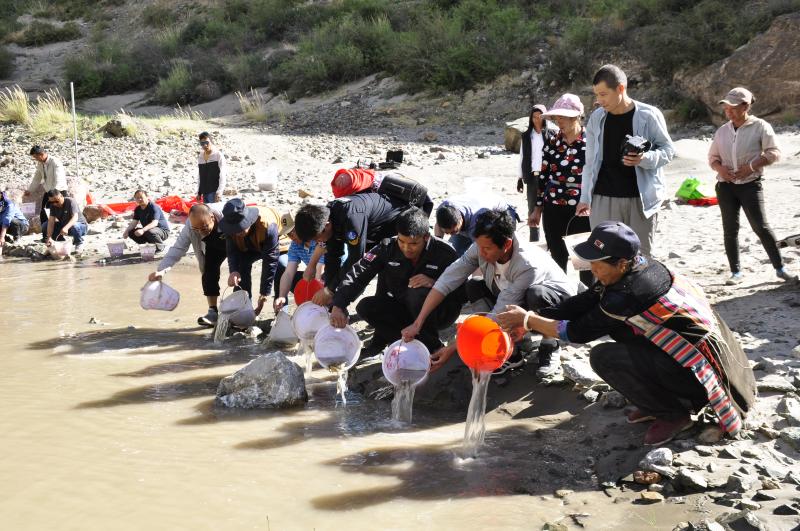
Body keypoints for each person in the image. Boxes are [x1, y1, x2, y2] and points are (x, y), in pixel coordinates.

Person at [497, 221, 756, 446]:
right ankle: (663, 400)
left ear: (621, 263)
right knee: (622, 331)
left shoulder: (630, 293)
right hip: (689, 358)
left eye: (597, 265)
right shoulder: (638, 267)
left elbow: (576, 332)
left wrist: (529, 320)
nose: (593, 270)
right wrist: (535, 319)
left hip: (701, 374)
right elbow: (587, 299)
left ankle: (673, 414)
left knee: (603, 357)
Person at [402, 209, 578, 376]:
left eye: (487, 249)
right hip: (511, 295)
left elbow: (500, 310)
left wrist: (455, 346)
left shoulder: (527, 264)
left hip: (555, 301)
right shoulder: (481, 246)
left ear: (507, 244)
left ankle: (550, 343)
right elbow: (449, 278)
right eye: (479, 246)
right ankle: (511, 352)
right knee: (474, 285)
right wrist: (418, 322)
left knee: (536, 294)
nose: (481, 252)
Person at [330, 207, 463, 357]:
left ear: (426, 237)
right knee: (366, 307)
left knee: (416, 291)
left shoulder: (445, 252)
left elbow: (461, 290)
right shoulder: (388, 247)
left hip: (439, 313)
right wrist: (339, 304)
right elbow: (360, 272)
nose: (406, 248)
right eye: (402, 241)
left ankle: (433, 348)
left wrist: (436, 283)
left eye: (413, 244)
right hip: (404, 308)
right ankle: (409, 346)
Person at [576, 64, 675, 258]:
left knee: (640, 257)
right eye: (596, 94)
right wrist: (585, 198)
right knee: (603, 257)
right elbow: (589, 162)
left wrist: (644, 158)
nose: (599, 100)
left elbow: (668, 150)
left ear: (621, 88)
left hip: (640, 199)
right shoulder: (597, 118)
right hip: (603, 198)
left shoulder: (649, 115)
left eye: (603, 94)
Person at [708, 87, 795, 284]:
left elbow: (774, 152)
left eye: (732, 106)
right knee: (730, 230)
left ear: (745, 106)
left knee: (761, 227)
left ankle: (780, 268)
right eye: (726, 107)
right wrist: (720, 170)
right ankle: (736, 272)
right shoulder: (722, 131)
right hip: (726, 187)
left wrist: (751, 167)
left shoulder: (760, 126)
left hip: (750, 185)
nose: (728, 110)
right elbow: (712, 158)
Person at [293, 190, 433, 307]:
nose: (318, 242)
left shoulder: (351, 218)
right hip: (373, 232)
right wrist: (328, 288)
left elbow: (356, 259)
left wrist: (330, 291)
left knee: (387, 273)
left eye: (317, 238)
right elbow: (333, 256)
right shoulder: (328, 217)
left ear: (327, 225)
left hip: (398, 227)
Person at [533, 93, 593, 286]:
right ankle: (560, 294)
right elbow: (543, 176)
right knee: (556, 254)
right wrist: (537, 208)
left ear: (577, 117)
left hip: (581, 208)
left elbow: (596, 175)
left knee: (583, 257)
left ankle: (587, 296)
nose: (559, 121)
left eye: (563, 117)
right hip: (553, 206)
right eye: (557, 117)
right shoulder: (552, 143)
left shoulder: (590, 142)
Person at [148, 203, 227, 327]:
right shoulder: (191, 226)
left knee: (239, 270)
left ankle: (244, 308)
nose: (201, 232)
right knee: (208, 273)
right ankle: (213, 312)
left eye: (204, 227)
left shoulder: (227, 217)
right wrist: (161, 271)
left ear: (212, 218)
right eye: (197, 229)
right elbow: (178, 249)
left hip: (231, 240)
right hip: (212, 247)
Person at [220, 198, 280, 317]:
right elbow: (232, 252)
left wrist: (264, 293)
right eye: (234, 230)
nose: (237, 233)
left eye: (240, 229)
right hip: (248, 247)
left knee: (281, 266)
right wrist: (234, 271)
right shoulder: (230, 230)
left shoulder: (267, 226)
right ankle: (243, 310)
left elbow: (271, 260)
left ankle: (280, 310)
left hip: (275, 243)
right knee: (241, 267)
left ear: (249, 220)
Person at [434, 194, 520, 256]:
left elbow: (480, 256)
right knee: (452, 255)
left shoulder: (478, 222)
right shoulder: (443, 209)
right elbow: (438, 225)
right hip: (472, 214)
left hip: (503, 214)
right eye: (447, 233)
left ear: (460, 220)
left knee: (498, 253)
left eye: (454, 231)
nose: (451, 234)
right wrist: (438, 243)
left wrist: (476, 280)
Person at [273, 212, 326, 312]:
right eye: (288, 234)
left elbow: (320, 270)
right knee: (287, 274)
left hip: (335, 279)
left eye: (293, 231)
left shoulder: (319, 238)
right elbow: (288, 273)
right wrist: (282, 296)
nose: (292, 236)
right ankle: (284, 310)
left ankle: (334, 308)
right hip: (315, 276)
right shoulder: (295, 245)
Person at [518, 103, 555, 242]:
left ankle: (550, 239)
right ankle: (534, 240)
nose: (537, 119)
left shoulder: (552, 134)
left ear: (545, 118)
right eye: (534, 117)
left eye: (540, 117)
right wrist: (520, 178)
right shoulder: (527, 136)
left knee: (549, 208)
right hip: (533, 177)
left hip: (549, 177)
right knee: (532, 207)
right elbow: (522, 156)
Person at [24, 145, 67, 226]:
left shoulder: (55, 162)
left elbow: (59, 178)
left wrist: (55, 194)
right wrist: (30, 190)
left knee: (60, 213)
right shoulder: (40, 164)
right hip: (49, 192)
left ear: (41, 154)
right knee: (43, 212)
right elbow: (37, 178)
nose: (35, 159)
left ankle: (60, 233)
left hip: (59, 192)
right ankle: (46, 234)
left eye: (35, 157)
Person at [196, 132, 226, 204]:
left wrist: (219, 192)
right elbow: (200, 175)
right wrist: (199, 192)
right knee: (207, 213)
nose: (205, 145)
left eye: (207, 142)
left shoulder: (218, 155)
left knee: (215, 214)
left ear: (211, 141)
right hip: (204, 192)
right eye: (202, 143)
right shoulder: (201, 157)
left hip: (214, 192)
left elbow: (223, 175)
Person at [0, 191, 29, 258]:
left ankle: (17, 238)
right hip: (7, 227)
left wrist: (1, 236)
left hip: (22, 225)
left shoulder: (9, 204)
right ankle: (7, 240)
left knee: (10, 220)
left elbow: (7, 220)